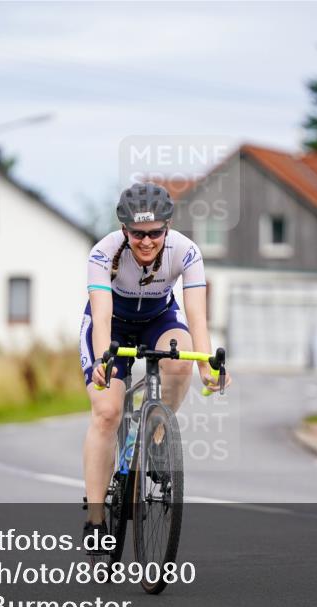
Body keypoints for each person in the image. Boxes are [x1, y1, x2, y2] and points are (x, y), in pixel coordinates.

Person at [79, 182, 231, 554]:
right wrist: (103, 360)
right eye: (138, 234)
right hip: (112, 326)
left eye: (155, 233)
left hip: (159, 320)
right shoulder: (103, 253)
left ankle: (157, 434)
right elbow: (101, 317)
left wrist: (209, 366)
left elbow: (196, 316)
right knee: (108, 412)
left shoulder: (186, 251)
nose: (147, 242)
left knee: (180, 364)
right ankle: (96, 519)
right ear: (124, 231)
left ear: (168, 227)